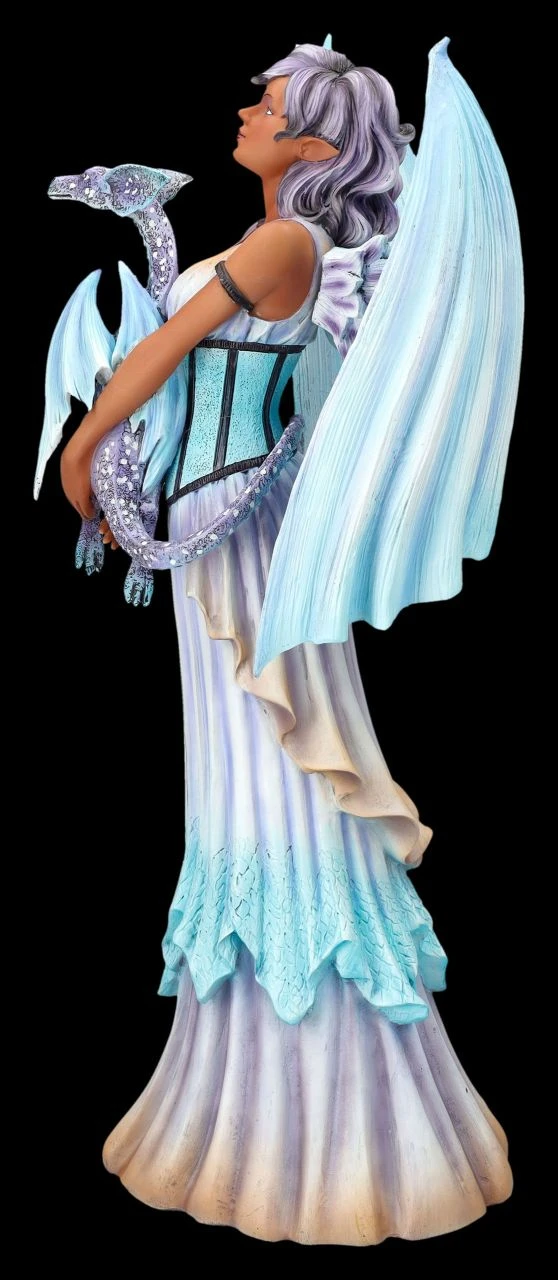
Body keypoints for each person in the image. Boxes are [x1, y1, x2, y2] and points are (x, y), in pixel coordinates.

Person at [57, 40, 515, 1245]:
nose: (246, 112)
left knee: (276, 782)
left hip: (243, 536)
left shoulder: (283, 245)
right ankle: (248, 1093)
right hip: (221, 526)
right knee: (240, 782)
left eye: (267, 104)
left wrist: (82, 444)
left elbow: (160, 355)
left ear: (314, 142)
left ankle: (318, 1120)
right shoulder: (279, 241)